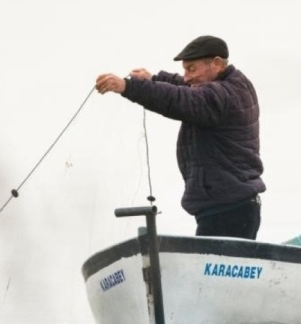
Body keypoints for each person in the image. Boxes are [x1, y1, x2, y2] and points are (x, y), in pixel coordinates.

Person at [95, 35, 266, 240]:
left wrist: (127, 87)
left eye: (191, 69)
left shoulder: (221, 95)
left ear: (217, 63)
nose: (186, 76)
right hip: (232, 205)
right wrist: (154, 79)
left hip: (228, 211)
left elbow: (179, 98)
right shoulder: (234, 83)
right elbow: (185, 87)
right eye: (185, 69)